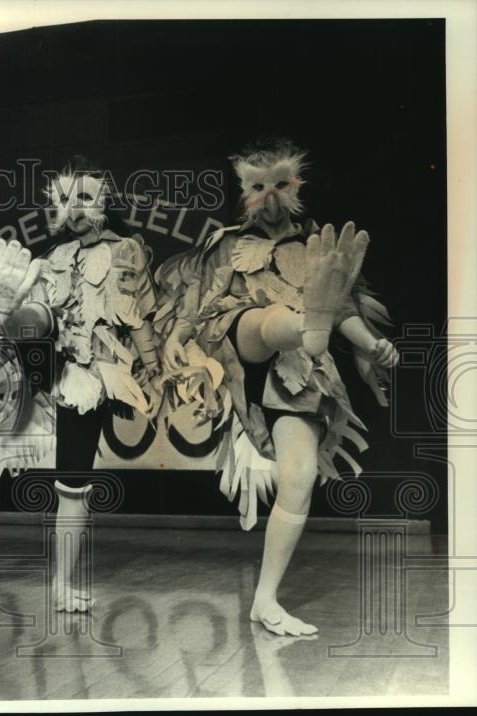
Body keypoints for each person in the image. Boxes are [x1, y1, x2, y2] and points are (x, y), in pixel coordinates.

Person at [156, 139, 399, 635]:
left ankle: (265, 601)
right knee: (270, 318)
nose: (269, 196)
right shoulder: (226, 242)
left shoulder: (313, 246)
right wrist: (176, 341)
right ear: (244, 191)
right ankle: (307, 325)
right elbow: (196, 301)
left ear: (296, 187)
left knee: (300, 475)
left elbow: (348, 311)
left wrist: (371, 345)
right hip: (240, 337)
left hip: (301, 368)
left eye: (280, 184)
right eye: (256, 186)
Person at [0, 155, 162, 612]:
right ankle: (4, 318)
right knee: (37, 314)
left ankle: (61, 586)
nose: (73, 208)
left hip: (87, 373)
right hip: (44, 354)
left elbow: (137, 318)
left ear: (101, 204)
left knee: (72, 484)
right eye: (65, 198)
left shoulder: (125, 251)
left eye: (84, 197)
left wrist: (153, 367)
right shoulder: (51, 257)